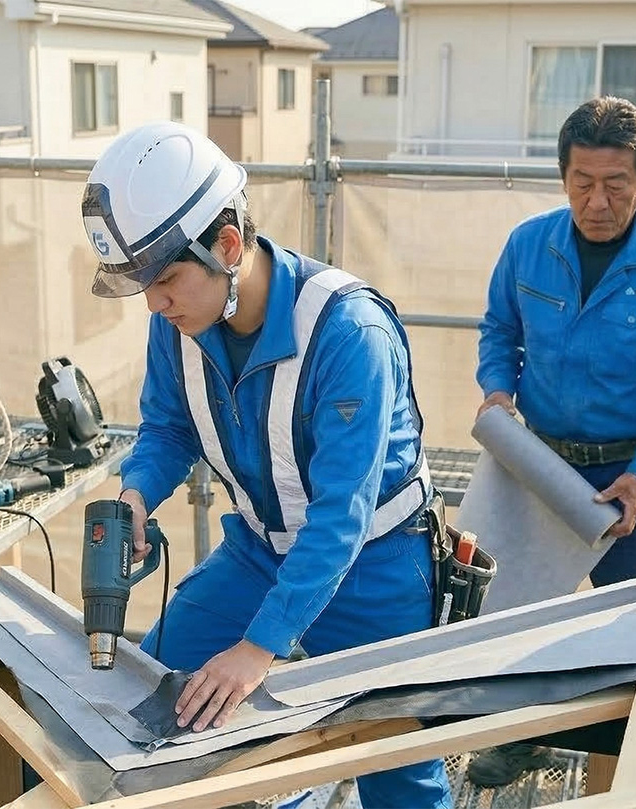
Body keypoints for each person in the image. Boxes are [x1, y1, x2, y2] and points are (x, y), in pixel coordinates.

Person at [81, 121, 452, 809]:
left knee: (397, 767)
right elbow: (167, 426)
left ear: (226, 243)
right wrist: (136, 494)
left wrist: (259, 649)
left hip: (374, 568)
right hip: (259, 552)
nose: (155, 305)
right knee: (154, 691)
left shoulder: (349, 335)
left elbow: (341, 515)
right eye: (144, 289)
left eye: (164, 280)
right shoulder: (179, 321)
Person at [469, 96, 636, 787]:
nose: (598, 200)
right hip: (540, 466)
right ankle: (521, 737)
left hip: (629, 480)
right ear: (563, 177)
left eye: (616, 184)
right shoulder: (528, 245)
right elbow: (498, 330)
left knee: (634, 639)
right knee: (517, 620)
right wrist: (498, 390)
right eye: (583, 182)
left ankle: (618, 779)